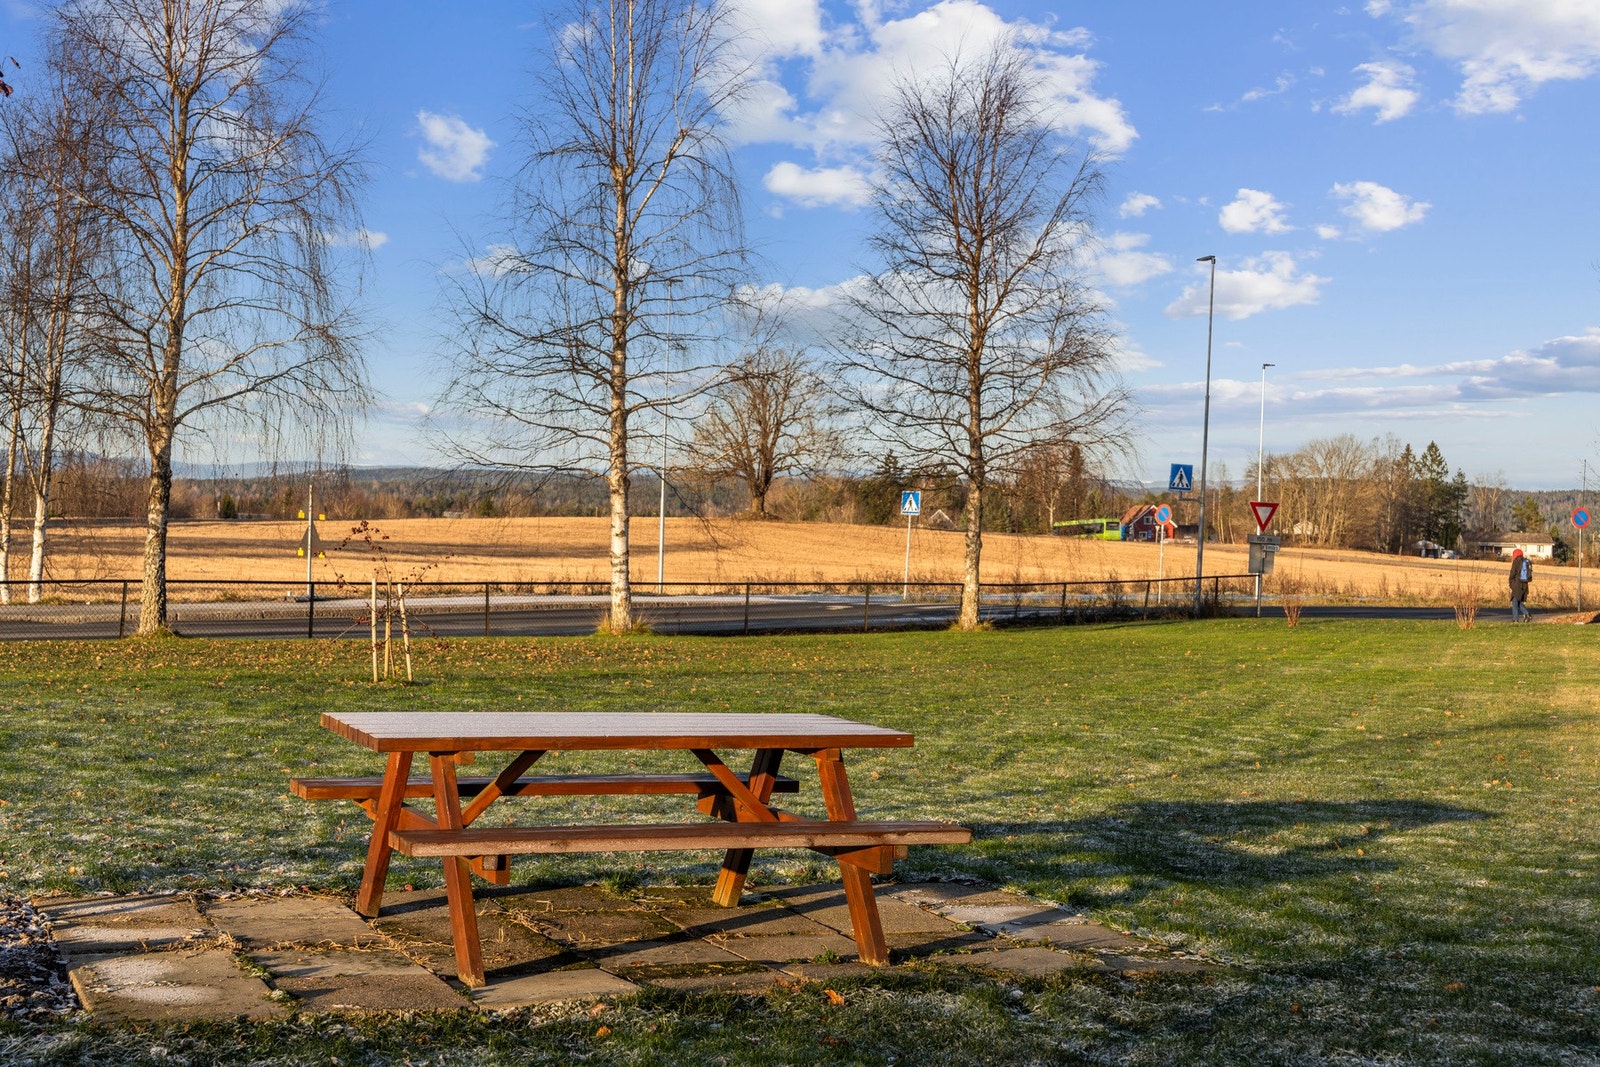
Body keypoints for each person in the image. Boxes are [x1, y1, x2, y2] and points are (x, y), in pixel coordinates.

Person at [1508, 548, 1533, 623]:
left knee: (1515, 601)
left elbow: (1512, 573)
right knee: (1517, 601)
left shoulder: (1516, 561)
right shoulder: (1527, 561)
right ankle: (1527, 614)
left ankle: (1515, 619)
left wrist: (1511, 582)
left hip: (1517, 584)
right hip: (1525, 584)